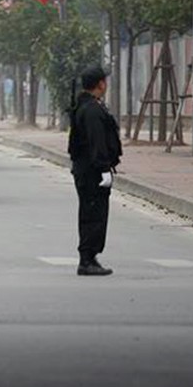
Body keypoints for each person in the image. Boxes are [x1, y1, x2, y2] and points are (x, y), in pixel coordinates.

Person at [68, 66, 122, 277]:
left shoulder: (88, 106)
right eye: (104, 81)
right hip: (92, 171)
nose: (106, 84)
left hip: (87, 169)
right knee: (93, 215)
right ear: (100, 84)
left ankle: (90, 257)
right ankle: (87, 259)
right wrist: (103, 170)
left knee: (92, 213)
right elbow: (97, 143)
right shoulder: (91, 110)